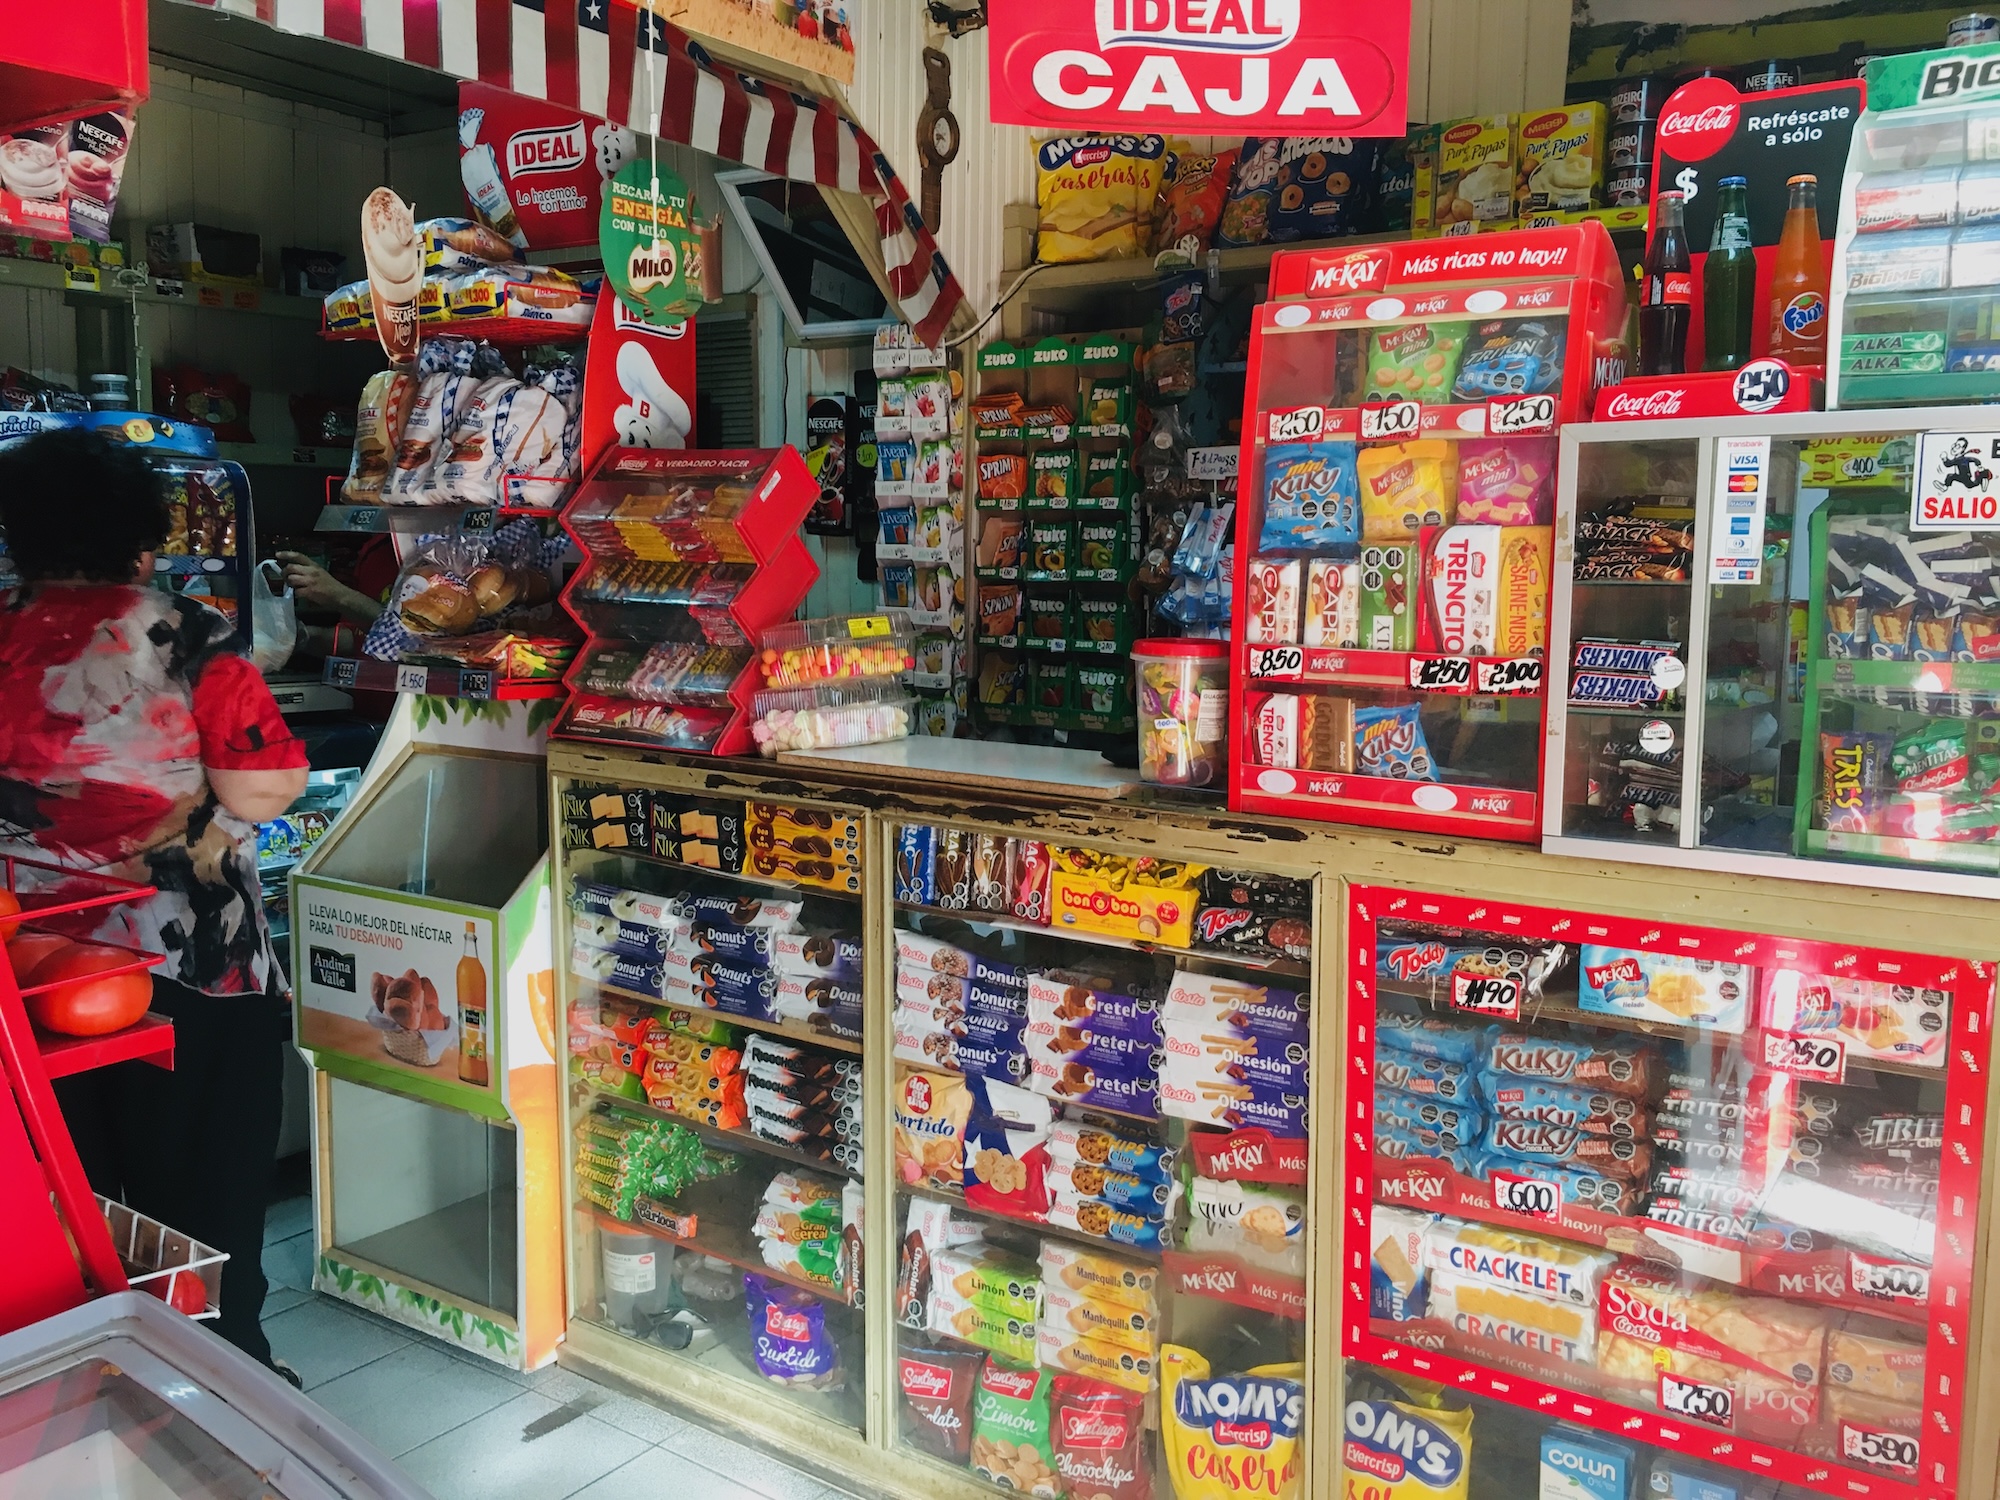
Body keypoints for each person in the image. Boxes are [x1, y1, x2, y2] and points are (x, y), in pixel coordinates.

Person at [0, 429, 308, 1373]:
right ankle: (225, 1371)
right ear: (144, 539)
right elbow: (267, 786)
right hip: (192, 964)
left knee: (76, 1195)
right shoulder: (192, 636)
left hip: (32, 976)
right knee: (208, 1195)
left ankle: (99, 1378)